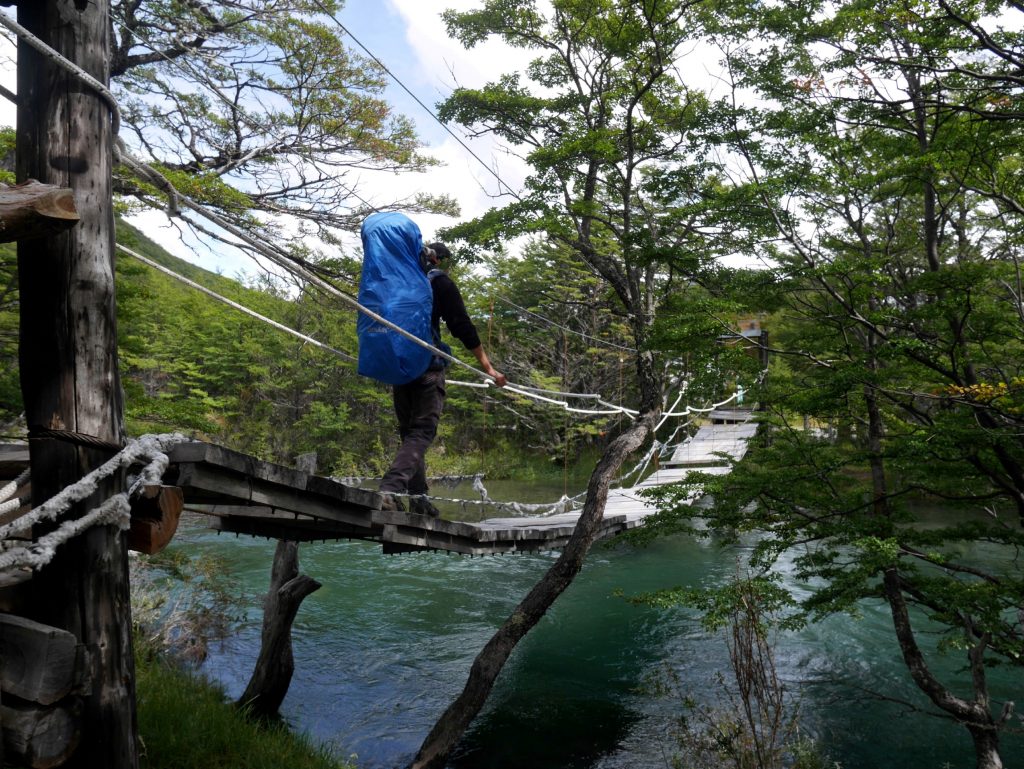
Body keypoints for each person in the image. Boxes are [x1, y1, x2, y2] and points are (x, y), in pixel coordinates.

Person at [379, 240, 507, 517]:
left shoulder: (401, 281)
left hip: (399, 367)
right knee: (422, 432)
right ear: (439, 260)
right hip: (427, 366)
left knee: (409, 433)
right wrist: (488, 366)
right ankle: (389, 489)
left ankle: (418, 498)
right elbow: (461, 324)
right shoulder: (440, 283)